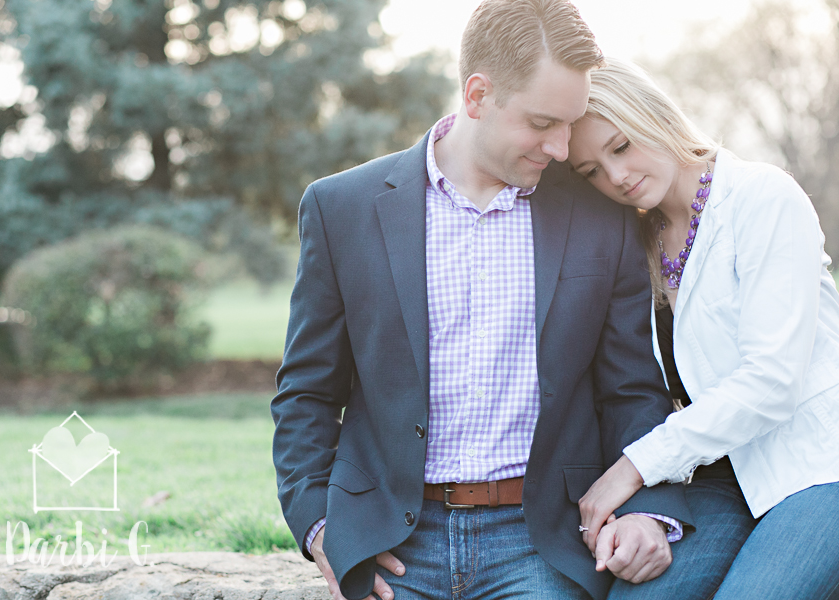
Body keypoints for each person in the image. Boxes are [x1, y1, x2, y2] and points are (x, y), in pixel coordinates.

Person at [271, 3, 696, 600]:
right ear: (477, 95)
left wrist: (646, 511)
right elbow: (306, 393)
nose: (561, 146)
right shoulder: (342, 209)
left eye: (570, 122)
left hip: (544, 542)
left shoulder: (601, 217)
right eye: (543, 122)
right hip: (388, 546)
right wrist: (322, 529)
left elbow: (631, 387)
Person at [567, 57, 839, 600]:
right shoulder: (634, 240)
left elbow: (771, 380)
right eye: (591, 171)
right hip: (719, 479)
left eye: (620, 147)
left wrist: (633, 467)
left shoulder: (762, 197)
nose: (614, 177)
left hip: (833, 464)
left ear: (653, 116)